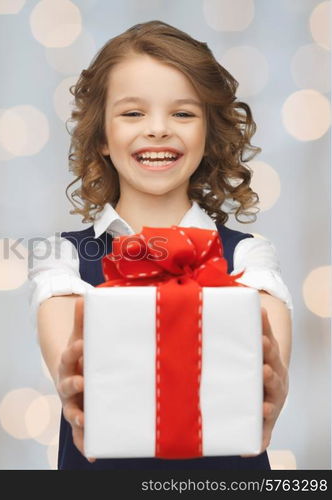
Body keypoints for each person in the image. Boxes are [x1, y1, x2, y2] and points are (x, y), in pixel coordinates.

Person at [28, 20, 293, 470]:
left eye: (183, 114)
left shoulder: (249, 256)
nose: (157, 129)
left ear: (208, 135)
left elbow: (259, 379)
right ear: (102, 138)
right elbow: (79, 372)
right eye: (133, 113)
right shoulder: (63, 259)